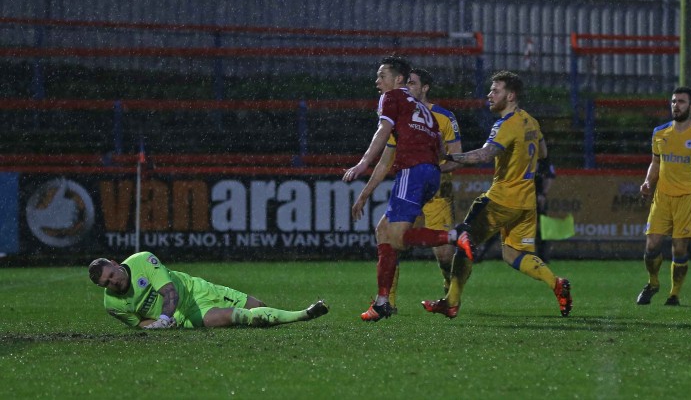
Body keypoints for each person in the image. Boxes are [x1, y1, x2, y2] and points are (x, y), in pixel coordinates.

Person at [417, 70, 573, 318]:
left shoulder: (505, 124)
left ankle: (451, 302)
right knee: (514, 254)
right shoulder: (530, 121)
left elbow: (484, 155)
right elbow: (542, 152)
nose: (489, 95)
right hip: (525, 201)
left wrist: (446, 157)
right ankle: (557, 283)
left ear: (510, 96)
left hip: (501, 198)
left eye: (495, 90)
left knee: (464, 241)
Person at [343, 56, 472, 322]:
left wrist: (362, 163)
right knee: (384, 231)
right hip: (430, 174)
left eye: (382, 76)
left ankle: (454, 235)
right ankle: (382, 302)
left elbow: (382, 131)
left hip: (412, 172)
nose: (377, 82)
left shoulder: (392, 98)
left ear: (398, 79)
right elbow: (436, 145)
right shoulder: (424, 111)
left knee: (398, 238)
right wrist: (365, 194)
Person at [386, 68, 464, 311]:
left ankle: (448, 284)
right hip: (409, 186)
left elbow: (456, 157)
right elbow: (389, 153)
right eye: (406, 83)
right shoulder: (400, 115)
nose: (408, 87)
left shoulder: (444, 117)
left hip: (436, 190)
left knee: (443, 256)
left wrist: (430, 169)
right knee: (390, 239)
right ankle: (386, 301)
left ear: (425, 87)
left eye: (413, 83)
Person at [88, 251, 329, 329]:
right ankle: (304, 314)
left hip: (196, 290)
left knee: (259, 307)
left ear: (115, 264)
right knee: (235, 317)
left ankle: (289, 315)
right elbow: (138, 323)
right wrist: (157, 326)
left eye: (111, 275)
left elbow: (170, 291)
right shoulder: (112, 305)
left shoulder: (143, 260)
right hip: (185, 316)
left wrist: (162, 318)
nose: (113, 283)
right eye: (106, 284)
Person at [636, 87, 691, 306]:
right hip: (662, 196)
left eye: (681, 102)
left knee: (679, 248)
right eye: (673, 101)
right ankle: (653, 283)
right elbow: (655, 162)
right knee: (651, 245)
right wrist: (647, 182)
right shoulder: (660, 132)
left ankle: (674, 294)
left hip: (687, 197)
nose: (676, 105)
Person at [473, 155, 556, 263]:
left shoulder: (543, 160)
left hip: (534, 198)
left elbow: (549, 177)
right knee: (502, 224)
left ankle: (542, 256)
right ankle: (481, 253)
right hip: (518, 197)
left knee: (540, 227)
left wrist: (543, 194)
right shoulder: (522, 156)